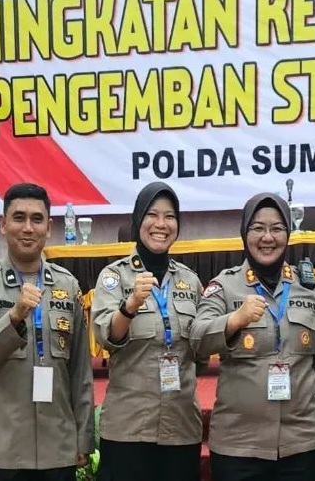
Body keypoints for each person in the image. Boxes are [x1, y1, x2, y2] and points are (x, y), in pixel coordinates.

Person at [190, 192, 315, 481]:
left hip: (302, 442)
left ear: (287, 234)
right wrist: (234, 320)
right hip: (239, 446)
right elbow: (197, 339)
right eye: (258, 228)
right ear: (244, 233)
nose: (267, 237)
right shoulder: (224, 286)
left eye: (276, 228)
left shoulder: (308, 288)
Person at [0, 183, 94, 481]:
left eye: (37, 219)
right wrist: (15, 316)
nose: (27, 228)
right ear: (3, 224)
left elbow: (81, 372)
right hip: (7, 450)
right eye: (18, 217)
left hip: (58, 447)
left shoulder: (67, 285)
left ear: (49, 228)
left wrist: (83, 437)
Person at [91, 182, 203, 481]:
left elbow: (201, 351)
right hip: (128, 428)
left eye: (170, 216)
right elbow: (105, 337)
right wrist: (130, 306)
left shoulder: (190, 281)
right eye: (152, 215)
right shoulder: (114, 277)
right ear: (138, 220)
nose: (161, 224)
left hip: (180, 426)